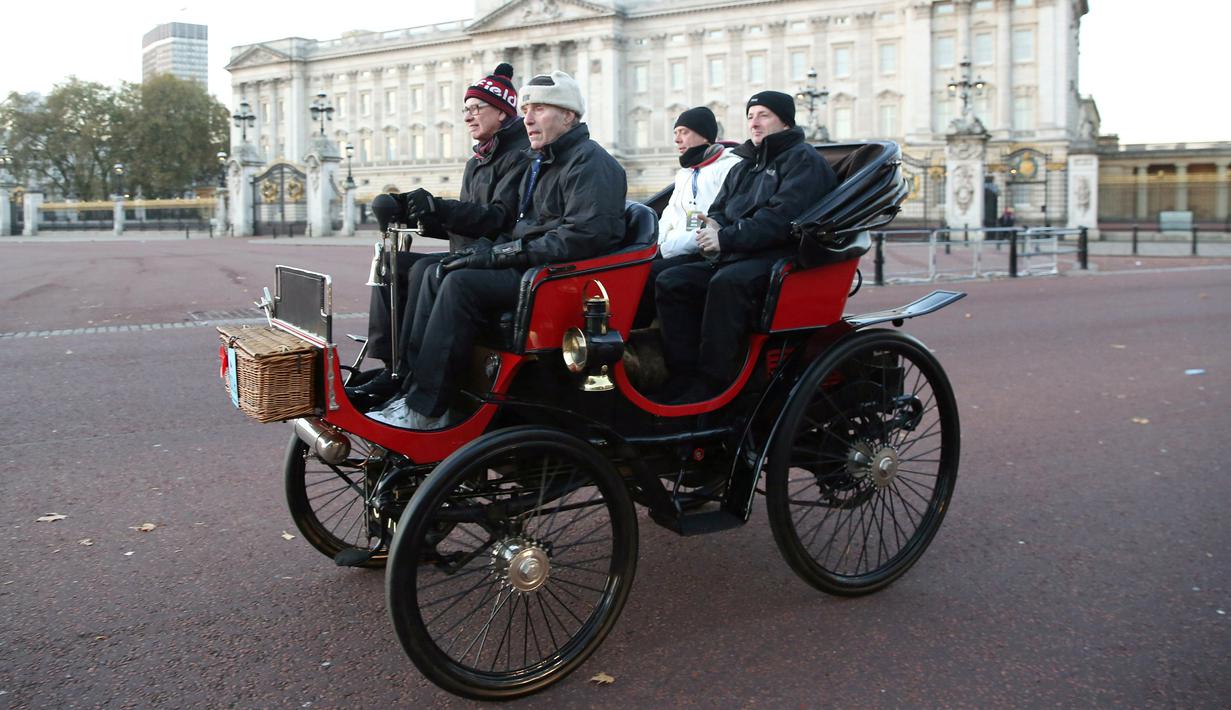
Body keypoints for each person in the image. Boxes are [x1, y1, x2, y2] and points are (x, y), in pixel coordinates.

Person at [370, 71, 627, 429]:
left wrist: (499, 255)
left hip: (559, 277)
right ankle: (411, 387)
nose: (528, 119)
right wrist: (481, 252)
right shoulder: (544, 161)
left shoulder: (591, 162)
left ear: (568, 115)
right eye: (526, 110)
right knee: (436, 271)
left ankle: (428, 409)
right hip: (537, 266)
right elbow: (517, 226)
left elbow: (582, 238)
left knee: (460, 285)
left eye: (539, 109)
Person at [347, 63, 529, 409]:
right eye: (466, 109)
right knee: (391, 264)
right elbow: (464, 222)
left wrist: (439, 207)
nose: (468, 116)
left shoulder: (520, 155)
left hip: (495, 256)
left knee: (424, 270)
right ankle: (392, 365)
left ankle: (416, 376)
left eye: (477, 108)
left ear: (503, 112)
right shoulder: (478, 160)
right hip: (469, 251)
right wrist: (420, 215)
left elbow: (496, 221)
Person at [655, 90, 837, 403]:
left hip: (781, 255)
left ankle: (714, 383)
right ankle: (682, 373)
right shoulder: (745, 164)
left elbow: (779, 220)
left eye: (764, 115)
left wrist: (725, 238)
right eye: (751, 116)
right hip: (739, 252)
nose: (754, 123)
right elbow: (720, 208)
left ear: (785, 122)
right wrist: (713, 226)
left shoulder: (803, 161)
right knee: (671, 281)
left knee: (727, 283)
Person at [634, 106, 740, 327]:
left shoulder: (729, 168)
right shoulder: (686, 172)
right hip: (676, 248)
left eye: (684, 132)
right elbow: (669, 215)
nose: (677, 139)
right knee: (634, 268)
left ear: (705, 135)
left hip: (705, 252)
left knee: (648, 274)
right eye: (675, 133)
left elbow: (709, 224)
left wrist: (664, 251)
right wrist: (655, 245)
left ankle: (643, 335)